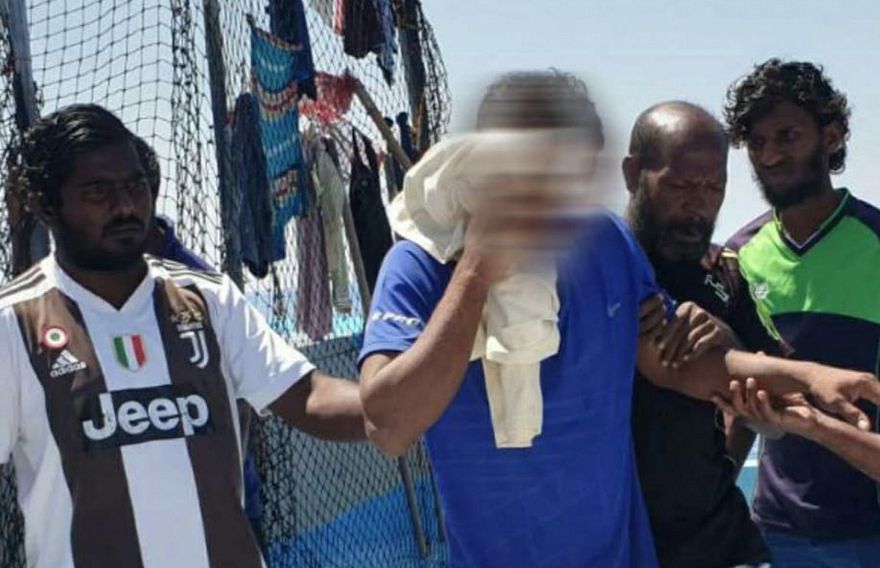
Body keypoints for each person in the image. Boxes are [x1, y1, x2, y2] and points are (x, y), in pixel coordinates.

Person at [357, 70, 880, 568]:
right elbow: (390, 426)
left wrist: (809, 375)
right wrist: (476, 273)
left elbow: (679, 364)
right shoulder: (421, 265)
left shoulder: (604, 244)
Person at [0, 103, 365, 568]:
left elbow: (308, 395)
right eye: (98, 192)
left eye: (136, 186)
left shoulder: (209, 299)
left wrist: (398, 398)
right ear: (48, 206)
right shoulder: (13, 324)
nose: (125, 206)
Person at [722, 58, 880, 565]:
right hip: (777, 533)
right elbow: (737, 403)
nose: (770, 155)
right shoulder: (738, 256)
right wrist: (715, 505)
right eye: (757, 143)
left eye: (787, 136)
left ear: (831, 137)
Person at [623, 101, 776, 568]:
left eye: (714, 188)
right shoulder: (591, 270)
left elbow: (777, 418)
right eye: (680, 186)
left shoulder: (726, 274)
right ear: (633, 175)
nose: (699, 204)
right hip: (606, 540)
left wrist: (728, 344)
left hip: (714, 545)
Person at [134, 136, 265, 541]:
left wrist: (225, 488)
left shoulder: (202, 288)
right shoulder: (98, 288)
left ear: (149, 194)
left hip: (221, 506)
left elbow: (244, 398)